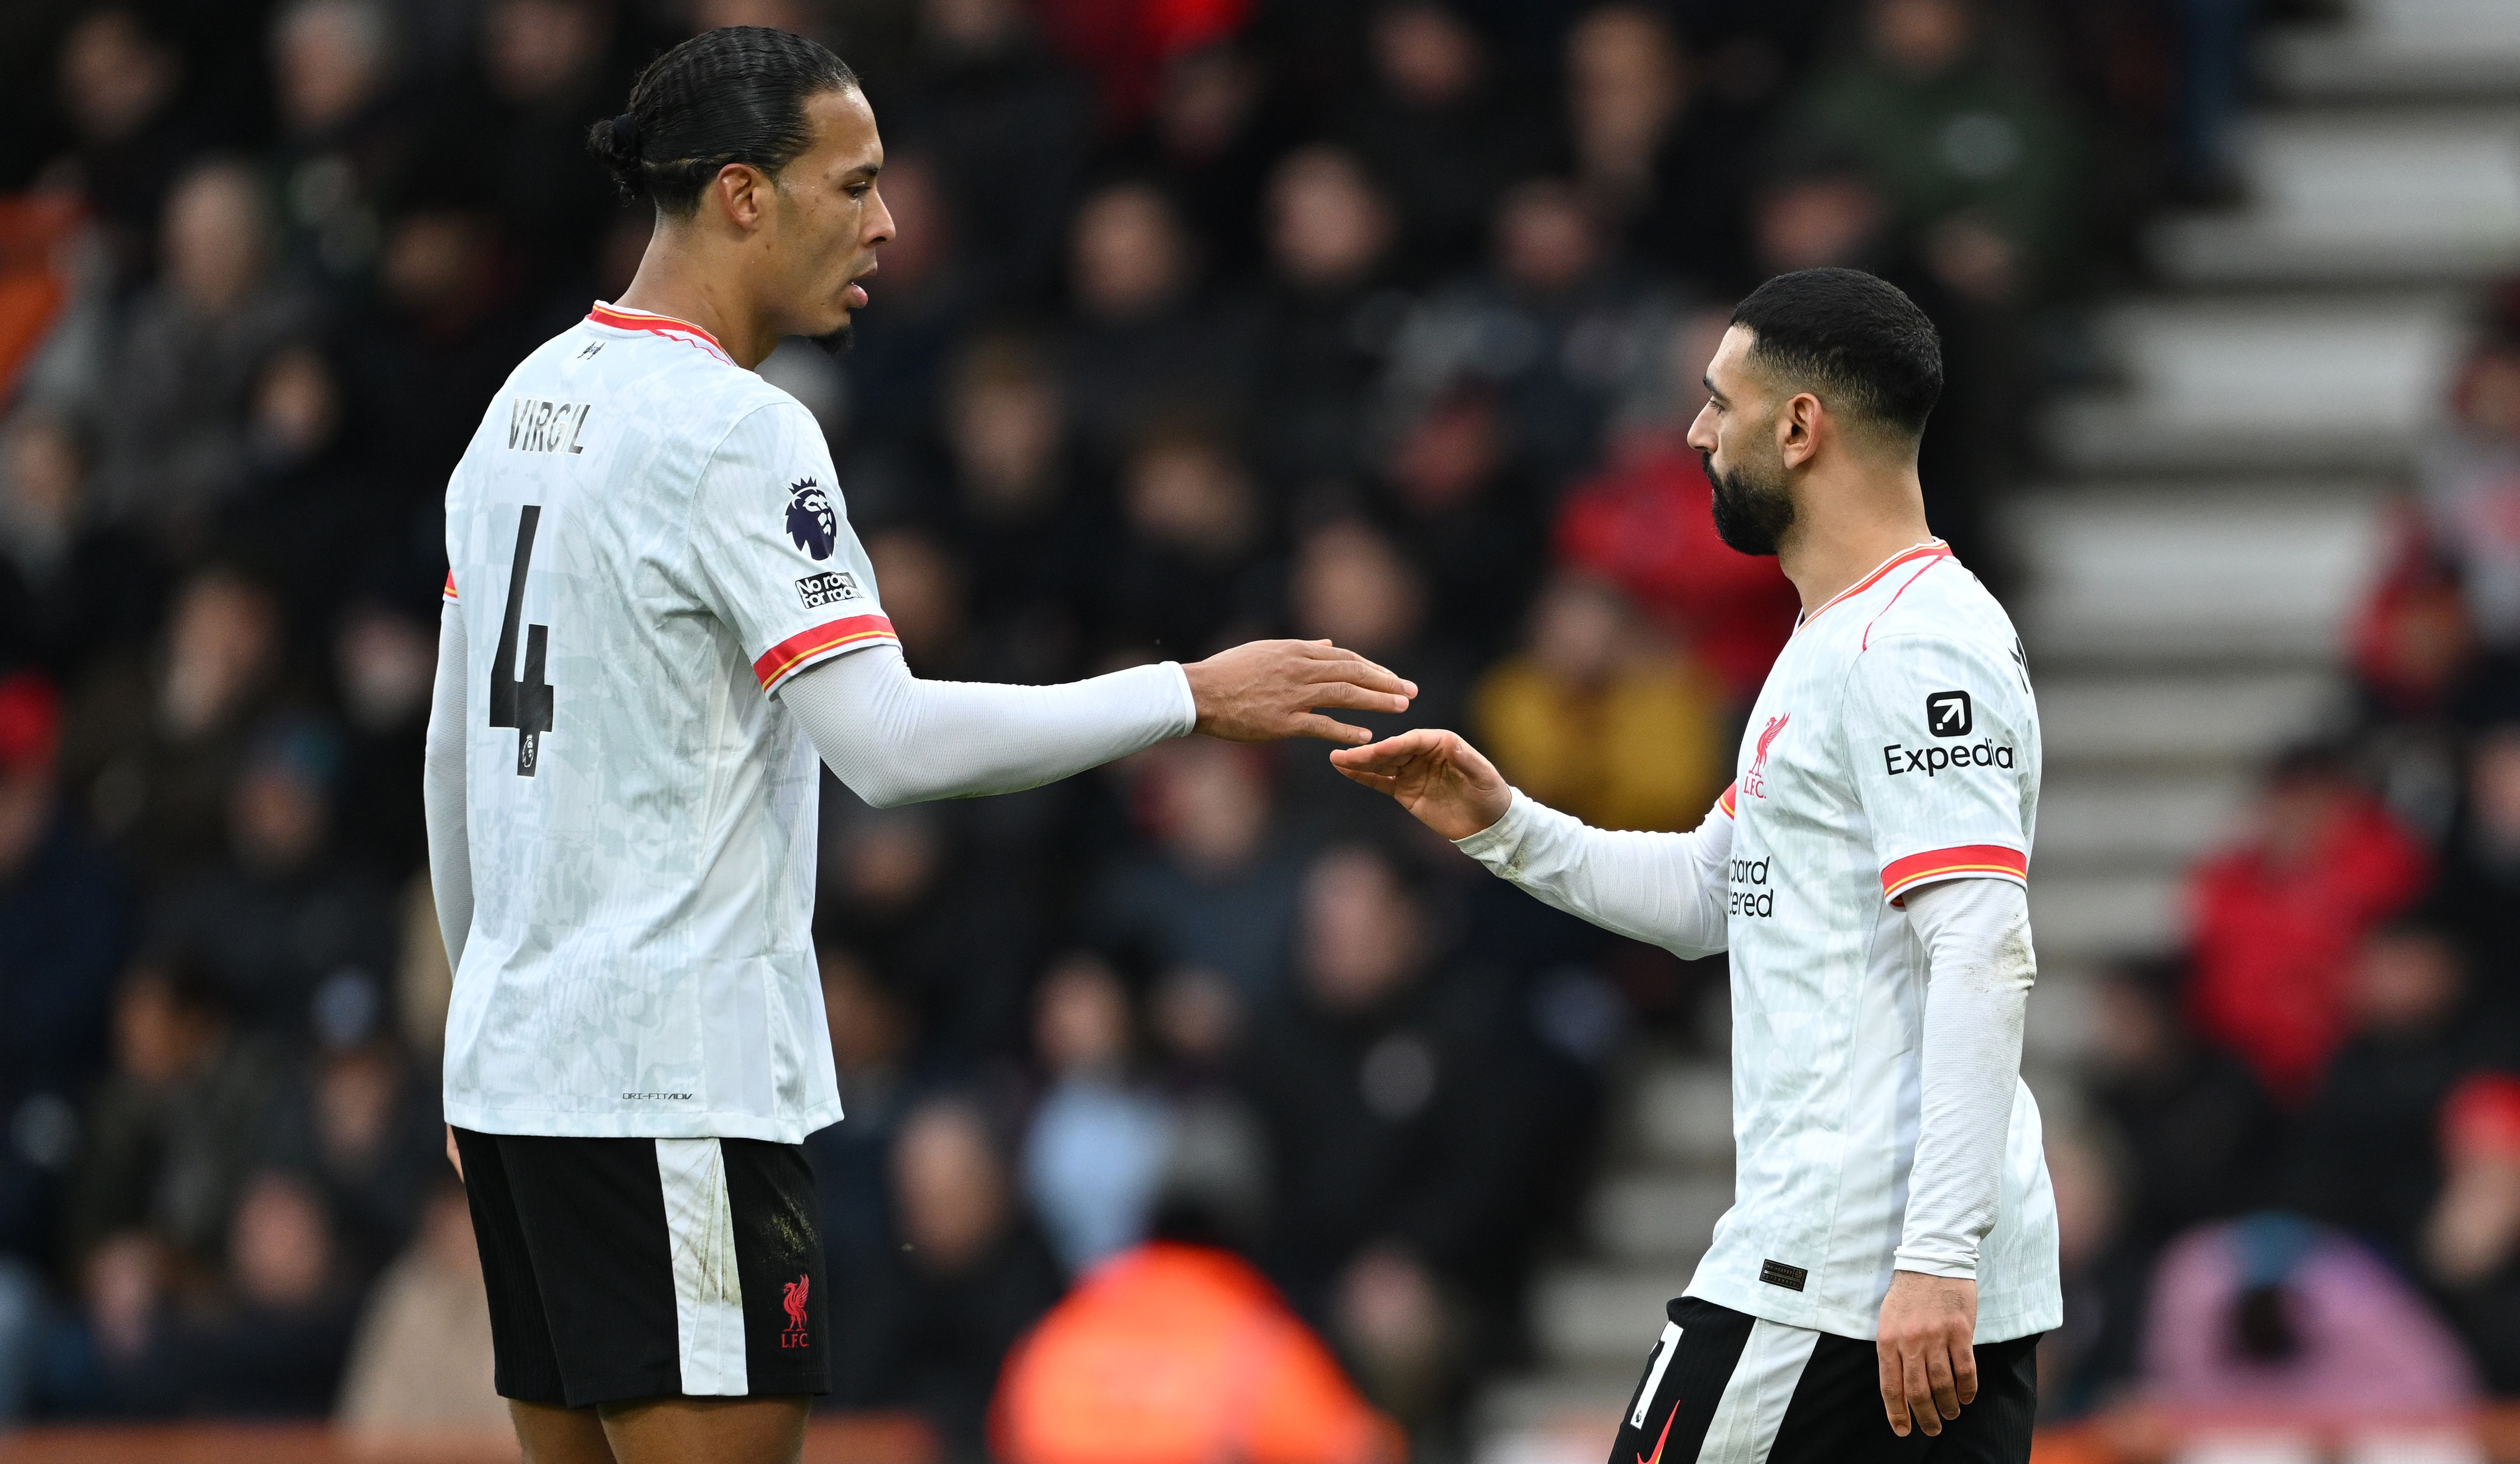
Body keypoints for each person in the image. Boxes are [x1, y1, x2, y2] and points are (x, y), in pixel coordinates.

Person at [423, 28, 1414, 1464]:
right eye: (855, 182)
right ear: (746, 197)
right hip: (674, 1085)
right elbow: (884, 740)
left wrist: (478, 1031)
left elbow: (459, 765)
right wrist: (1187, 693)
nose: (886, 220)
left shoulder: (519, 409)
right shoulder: (736, 432)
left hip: (521, 1082)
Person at [1334, 267, 2057, 1458]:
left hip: (1837, 1275)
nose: (1693, 432)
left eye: (1718, 403)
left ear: (1799, 426)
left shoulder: (1912, 645)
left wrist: (1931, 1260)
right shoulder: (1838, 637)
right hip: (1873, 1279)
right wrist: (1500, 822)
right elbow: (1715, 893)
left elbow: (1980, 944)